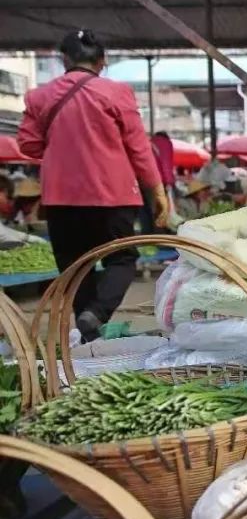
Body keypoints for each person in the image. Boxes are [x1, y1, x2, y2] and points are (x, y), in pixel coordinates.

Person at [17, 29, 167, 342]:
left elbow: (28, 145)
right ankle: (96, 314)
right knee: (122, 258)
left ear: (64, 59)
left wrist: (63, 146)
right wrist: (158, 191)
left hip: (61, 198)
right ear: (102, 62)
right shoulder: (117, 93)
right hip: (113, 195)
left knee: (75, 267)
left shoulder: (39, 97)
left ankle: (88, 336)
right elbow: (139, 148)